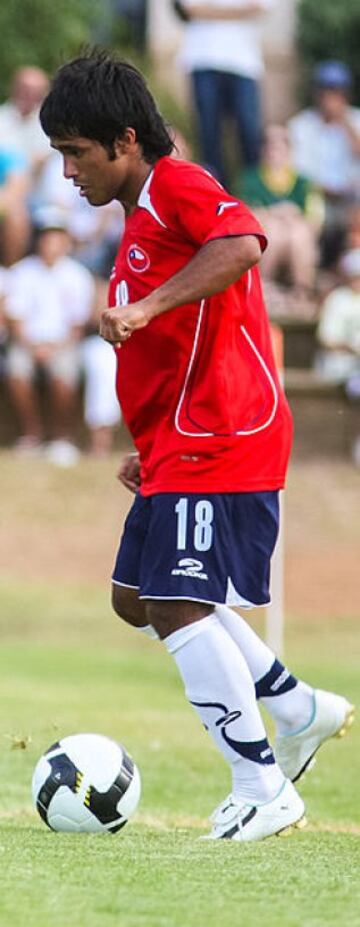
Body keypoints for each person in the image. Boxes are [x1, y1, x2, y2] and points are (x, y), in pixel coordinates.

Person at [40, 49, 354, 842]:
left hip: (225, 432)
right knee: (136, 597)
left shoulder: (177, 184)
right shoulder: (140, 216)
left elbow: (245, 244)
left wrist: (145, 306)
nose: (68, 173)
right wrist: (148, 442)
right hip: (178, 441)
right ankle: (293, 705)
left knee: (179, 600)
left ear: (125, 140)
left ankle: (262, 784)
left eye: (76, 153)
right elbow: (182, 344)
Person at [4, 207, 94, 465]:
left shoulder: (77, 275)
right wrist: (33, 347)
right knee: (16, 371)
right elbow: (16, 318)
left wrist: (54, 347)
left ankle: (61, 437)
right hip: (28, 342)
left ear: (65, 241)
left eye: (55, 237)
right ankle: (32, 435)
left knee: (63, 376)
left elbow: (77, 325)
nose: (50, 243)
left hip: (62, 343)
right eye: (45, 237)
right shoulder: (23, 271)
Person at [173, 0, 273, 186]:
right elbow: (191, 9)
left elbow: (261, 8)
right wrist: (238, 11)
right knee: (208, 135)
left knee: (249, 133)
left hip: (244, 63)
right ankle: (215, 195)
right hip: (203, 59)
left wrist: (212, 11)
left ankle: (253, 195)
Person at [238, 124, 320, 316]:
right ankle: (264, 287)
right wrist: (276, 213)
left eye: (281, 145)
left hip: (296, 238)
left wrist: (291, 218)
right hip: (268, 236)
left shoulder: (303, 182)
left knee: (298, 233)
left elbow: (314, 219)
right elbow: (245, 215)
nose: (275, 150)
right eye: (270, 144)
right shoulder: (250, 180)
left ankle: (302, 291)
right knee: (273, 229)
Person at [288, 60, 360, 268]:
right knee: (310, 213)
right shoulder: (301, 125)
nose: (331, 99)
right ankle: (311, 272)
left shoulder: (356, 119)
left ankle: (350, 272)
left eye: (337, 92)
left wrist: (344, 122)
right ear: (317, 94)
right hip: (317, 195)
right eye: (326, 92)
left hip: (351, 197)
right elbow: (298, 173)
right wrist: (326, 189)